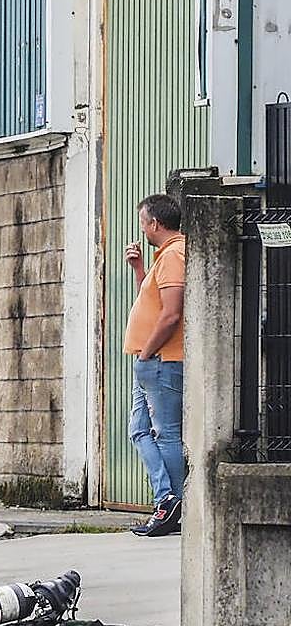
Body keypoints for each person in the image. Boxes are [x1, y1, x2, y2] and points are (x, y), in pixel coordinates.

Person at [124, 194, 186, 538]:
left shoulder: (175, 254)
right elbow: (152, 304)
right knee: (139, 430)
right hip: (151, 360)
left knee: (166, 434)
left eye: (143, 223)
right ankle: (167, 499)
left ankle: (172, 504)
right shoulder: (164, 257)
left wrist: (147, 353)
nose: (143, 229)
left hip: (161, 360)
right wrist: (139, 271)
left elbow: (172, 313)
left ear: (155, 224)